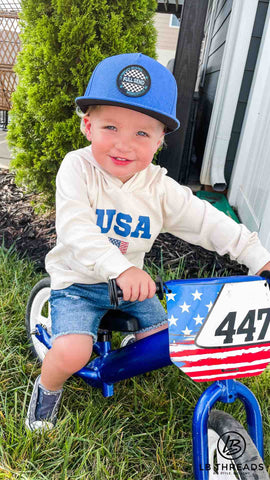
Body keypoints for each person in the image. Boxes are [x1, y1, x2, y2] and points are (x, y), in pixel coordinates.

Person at [25, 53, 270, 432]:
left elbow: (209, 222)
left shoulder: (159, 188)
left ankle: (121, 356)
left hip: (130, 287)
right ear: (88, 127)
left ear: (159, 142)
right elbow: (76, 230)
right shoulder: (77, 169)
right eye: (111, 127)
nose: (124, 144)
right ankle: (47, 389)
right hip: (78, 283)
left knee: (167, 343)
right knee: (73, 351)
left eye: (142, 133)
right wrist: (120, 267)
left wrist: (257, 258)